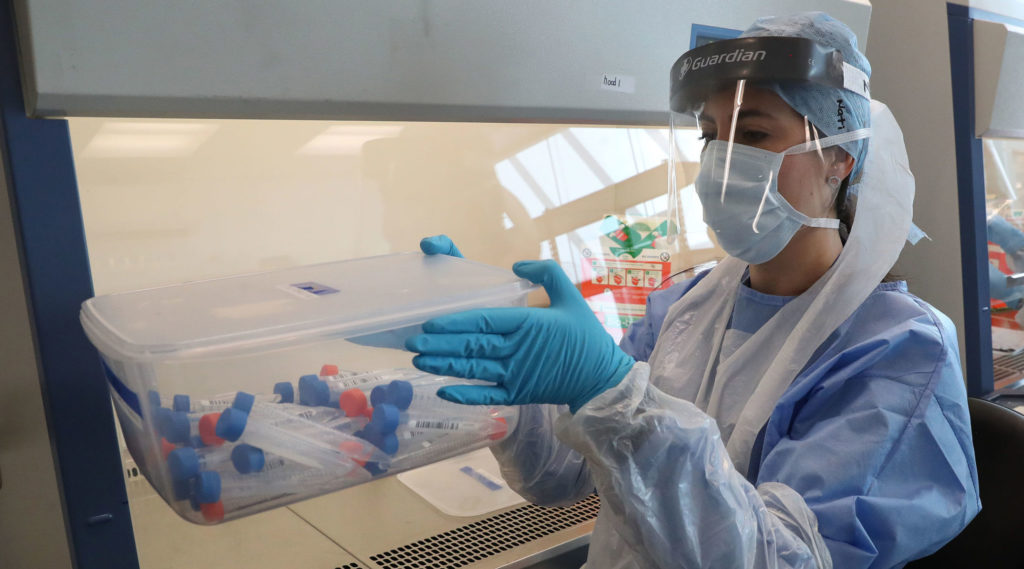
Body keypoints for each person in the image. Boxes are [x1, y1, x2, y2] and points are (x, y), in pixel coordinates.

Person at [406, 12, 980, 569]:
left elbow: (778, 559)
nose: (722, 161)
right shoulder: (685, 308)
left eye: (753, 133)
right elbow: (561, 472)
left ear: (839, 157)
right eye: (710, 136)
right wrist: (508, 369)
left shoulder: (898, 351)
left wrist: (616, 398)